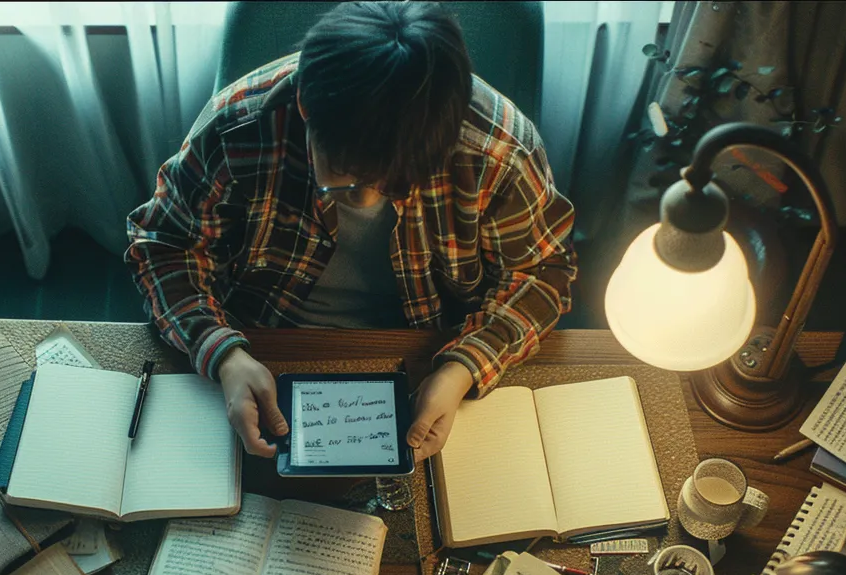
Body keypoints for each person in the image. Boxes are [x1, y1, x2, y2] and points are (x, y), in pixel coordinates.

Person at [126, 1, 575, 462]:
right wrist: (222, 354)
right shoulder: (237, 125)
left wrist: (464, 368)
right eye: (343, 173)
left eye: (396, 181)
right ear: (305, 107)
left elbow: (543, 273)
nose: (364, 200)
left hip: (427, 346)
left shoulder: (498, 150)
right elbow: (165, 245)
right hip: (263, 342)